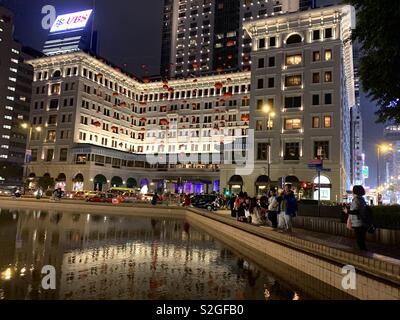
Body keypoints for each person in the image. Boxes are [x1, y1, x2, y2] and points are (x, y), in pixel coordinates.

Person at [344, 185, 369, 251]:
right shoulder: (362, 199)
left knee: (360, 241)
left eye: (353, 190)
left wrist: (347, 211)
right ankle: (365, 254)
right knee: (361, 240)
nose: (352, 191)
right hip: (362, 222)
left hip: (358, 223)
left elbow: (356, 211)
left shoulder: (356, 200)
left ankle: (364, 256)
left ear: (355, 191)